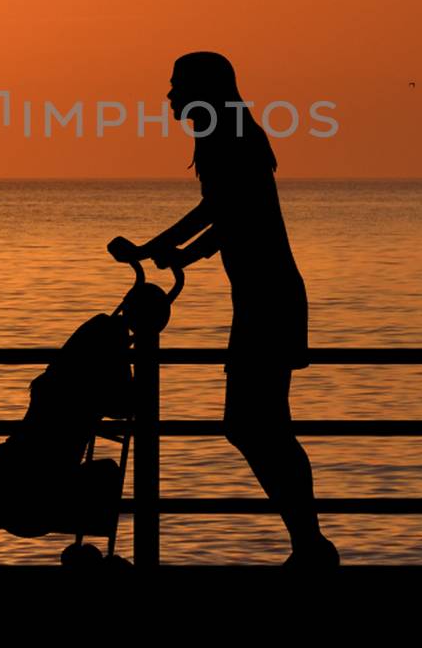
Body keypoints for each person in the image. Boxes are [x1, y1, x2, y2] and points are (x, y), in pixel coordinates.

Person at [108, 51, 337, 566]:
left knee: (256, 426)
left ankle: (311, 545)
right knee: (260, 426)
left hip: (268, 301)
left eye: (176, 85)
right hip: (264, 298)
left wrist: (164, 250)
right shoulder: (231, 134)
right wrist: (167, 250)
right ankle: (309, 543)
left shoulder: (226, 137)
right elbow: (224, 216)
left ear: (202, 90)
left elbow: (227, 215)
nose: (168, 96)